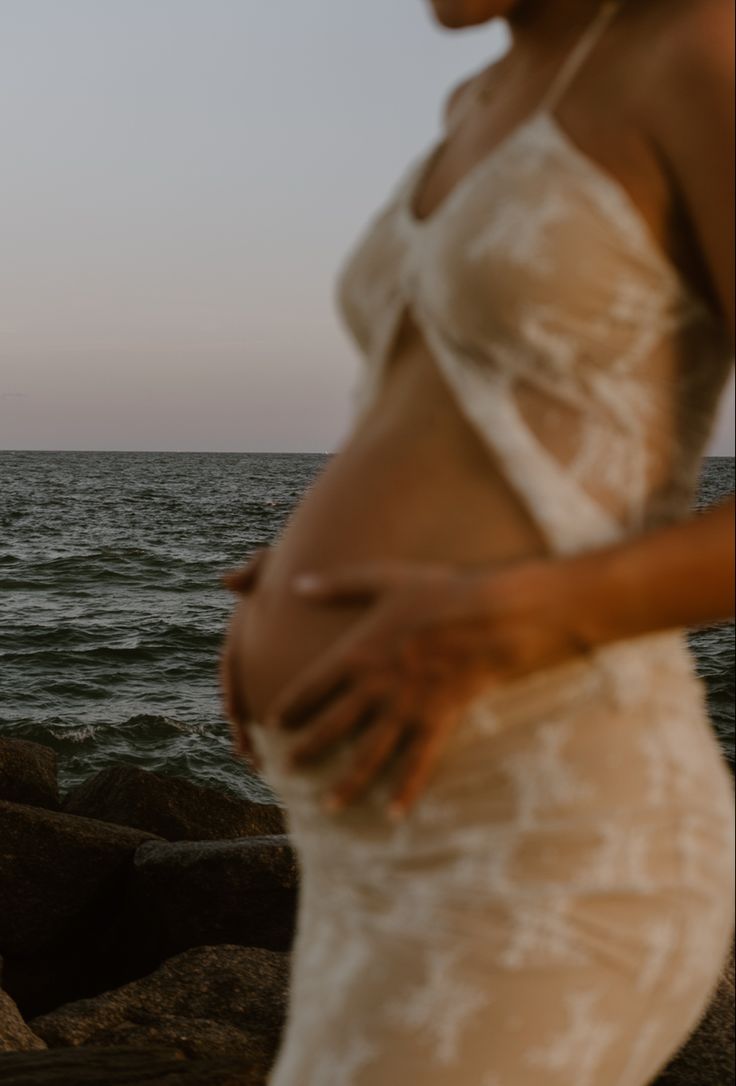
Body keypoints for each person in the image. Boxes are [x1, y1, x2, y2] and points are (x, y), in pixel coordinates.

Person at [221, 1, 735, 1082]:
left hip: (552, 824)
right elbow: (457, 415)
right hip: (369, 843)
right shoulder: (476, 102)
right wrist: (290, 585)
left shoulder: (697, 50)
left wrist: (518, 616)